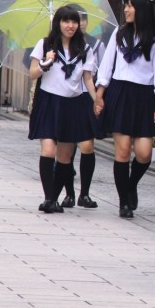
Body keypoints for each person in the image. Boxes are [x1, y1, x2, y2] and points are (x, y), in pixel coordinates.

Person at [93, 0, 155, 219]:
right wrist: (99, 94)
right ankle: (123, 202)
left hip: (145, 97)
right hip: (120, 93)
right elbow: (107, 65)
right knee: (123, 151)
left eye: (130, 6)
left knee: (144, 154)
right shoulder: (119, 32)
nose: (126, 10)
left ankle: (131, 184)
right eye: (125, 5)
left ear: (142, 9)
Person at [28, 5, 98, 213]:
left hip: (72, 105)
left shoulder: (85, 49)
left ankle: (54, 198)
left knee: (65, 158)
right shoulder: (45, 45)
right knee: (48, 150)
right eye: (66, 21)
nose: (71, 26)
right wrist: (45, 62)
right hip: (49, 102)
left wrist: (97, 100)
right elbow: (32, 73)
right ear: (58, 23)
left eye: (74, 21)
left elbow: (87, 79)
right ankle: (49, 198)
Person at [58, 11, 105, 209]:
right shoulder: (55, 45)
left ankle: (84, 194)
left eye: (81, 19)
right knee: (66, 148)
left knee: (87, 146)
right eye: (69, 20)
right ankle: (69, 193)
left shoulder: (94, 45)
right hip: (66, 98)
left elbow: (101, 72)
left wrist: (98, 99)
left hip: (87, 97)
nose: (77, 24)